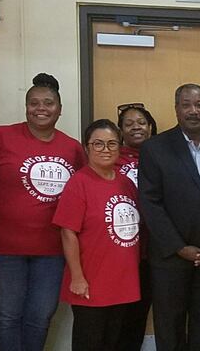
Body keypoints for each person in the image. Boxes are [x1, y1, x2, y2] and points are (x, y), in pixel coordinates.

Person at [0, 73, 86, 351]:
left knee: (40, 317)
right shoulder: (1, 136)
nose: (41, 108)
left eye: (48, 103)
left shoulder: (72, 148)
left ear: (60, 108)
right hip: (3, 251)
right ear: (25, 107)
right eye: (34, 103)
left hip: (53, 253)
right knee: (5, 317)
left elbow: (84, 200)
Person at [139, 83, 200, 351]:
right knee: (169, 326)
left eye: (199, 105)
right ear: (176, 109)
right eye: (186, 105)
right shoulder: (154, 148)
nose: (193, 111)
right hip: (171, 257)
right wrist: (180, 248)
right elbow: (150, 203)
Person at [53, 119, 141, 351]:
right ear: (87, 147)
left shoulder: (125, 183)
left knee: (115, 342)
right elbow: (67, 232)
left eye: (112, 144)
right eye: (98, 144)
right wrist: (77, 277)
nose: (106, 150)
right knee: (90, 342)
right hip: (91, 281)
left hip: (123, 281)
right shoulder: (79, 183)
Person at [115, 103, 157, 350]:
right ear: (120, 131)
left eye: (141, 122)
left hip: (152, 249)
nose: (135, 128)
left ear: (150, 127)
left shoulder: (161, 156)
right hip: (119, 248)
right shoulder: (111, 156)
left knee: (139, 312)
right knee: (117, 313)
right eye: (128, 124)